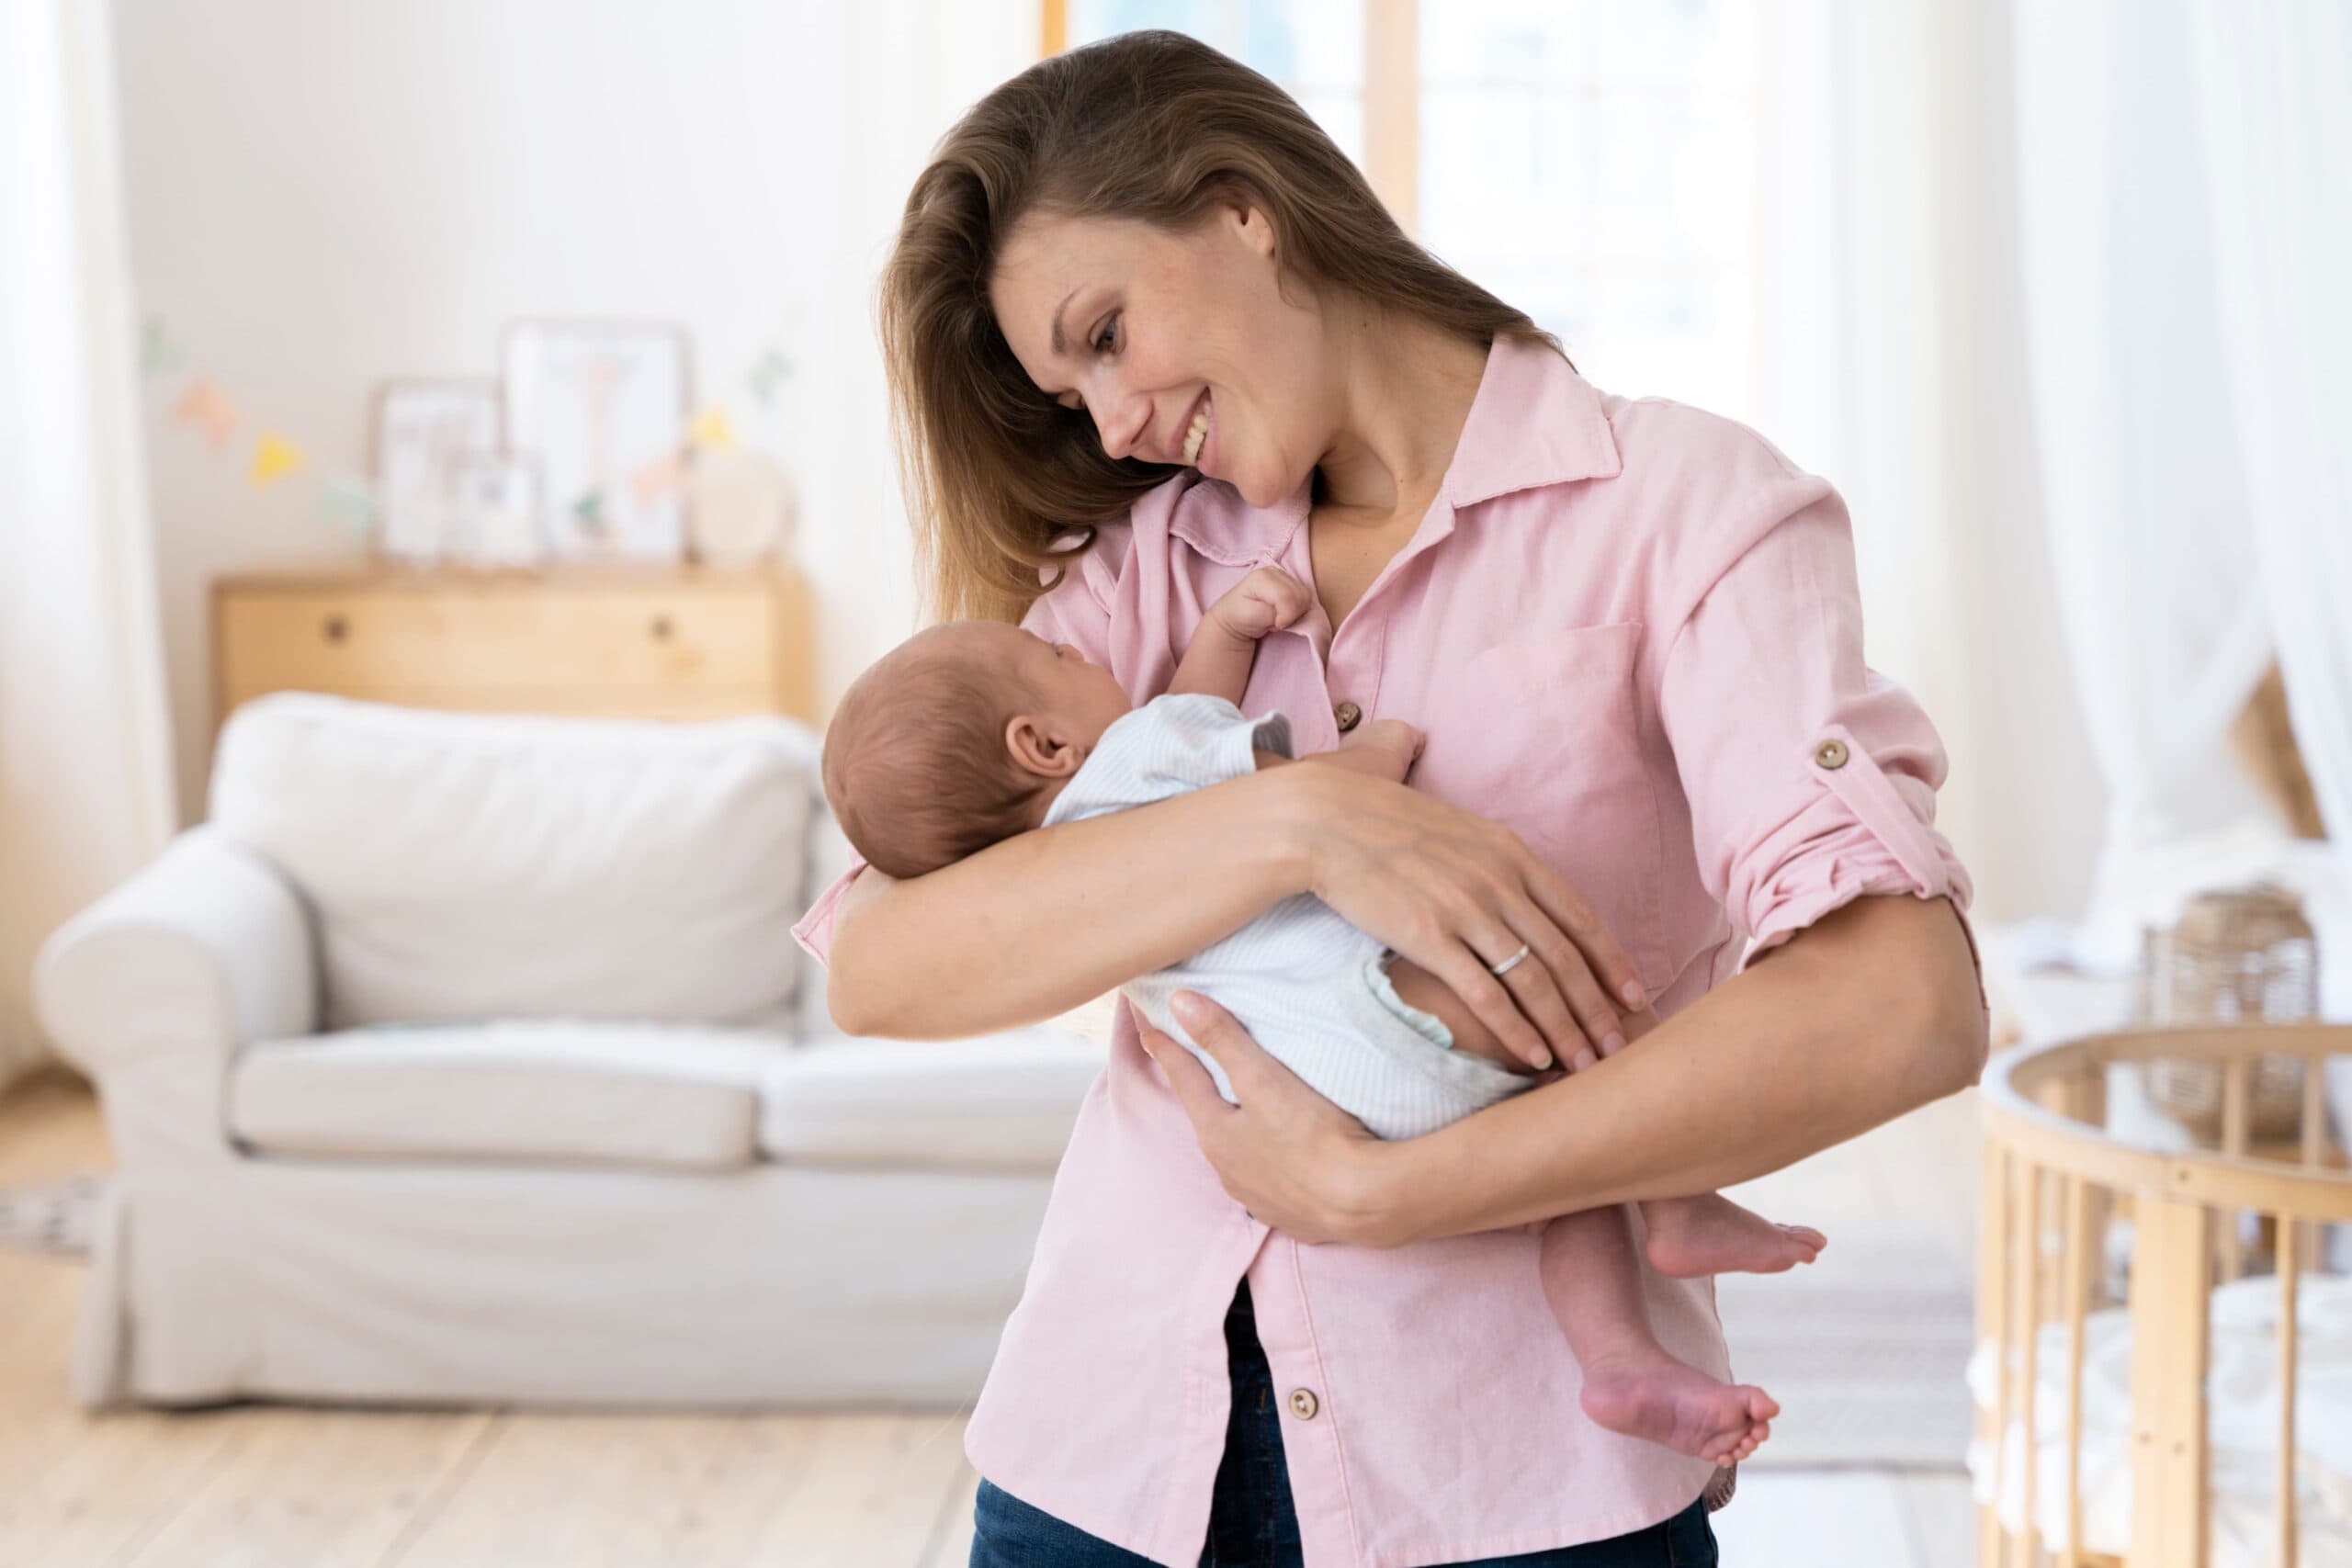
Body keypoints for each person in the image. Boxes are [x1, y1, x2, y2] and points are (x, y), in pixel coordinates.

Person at [796, 29, 1989, 1568]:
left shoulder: (1685, 511)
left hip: (1521, 1490)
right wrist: (1297, 823)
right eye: (1069, 392)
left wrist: (1390, 1192)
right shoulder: (1148, 566)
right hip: (1107, 1467)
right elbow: (885, 966)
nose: (1111, 425)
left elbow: (1906, 1004)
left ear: (1243, 209)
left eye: (1105, 333)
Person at [820, 570, 1826, 1470]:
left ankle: (1622, 1363)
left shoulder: (1059, 864)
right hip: (1382, 1014)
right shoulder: (1136, 758)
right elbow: (1313, 795)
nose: (1079, 652)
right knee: (1583, 999)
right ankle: (1672, 1209)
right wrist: (1381, 748)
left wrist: (1223, 630)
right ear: (1041, 742)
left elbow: (1187, 717)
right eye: (1057, 660)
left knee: (1570, 1173)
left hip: (1306, 1089)